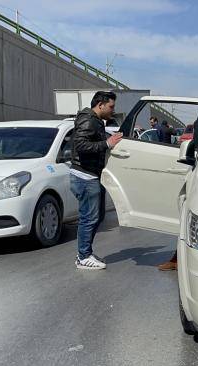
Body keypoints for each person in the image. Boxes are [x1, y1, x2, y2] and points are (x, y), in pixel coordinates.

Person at [70, 91, 123, 270]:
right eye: (111, 106)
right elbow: (80, 145)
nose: (113, 110)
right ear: (100, 105)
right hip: (84, 176)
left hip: (92, 175)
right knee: (89, 218)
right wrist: (107, 144)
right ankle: (83, 257)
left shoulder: (96, 121)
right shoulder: (88, 119)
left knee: (97, 216)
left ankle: (85, 253)